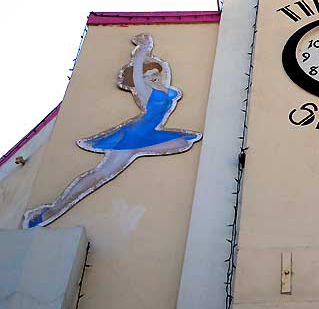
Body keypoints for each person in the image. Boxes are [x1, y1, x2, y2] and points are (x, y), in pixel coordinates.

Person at [23, 33, 202, 228]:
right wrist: (143, 49)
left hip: (149, 136)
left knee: (184, 141)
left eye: (154, 75)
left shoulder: (168, 90)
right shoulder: (146, 92)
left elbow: (164, 74)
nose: (152, 78)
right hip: (131, 137)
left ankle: (139, 150)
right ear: (143, 80)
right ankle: (51, 211)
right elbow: (137, 73)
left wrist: (151, 58)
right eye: (148, 76)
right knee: (99, 174)